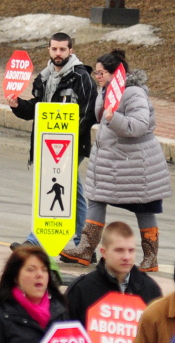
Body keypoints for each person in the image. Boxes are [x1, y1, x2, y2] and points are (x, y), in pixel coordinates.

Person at [60, 50, 171, 272]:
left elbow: (139, 125)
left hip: (136, 163)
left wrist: (114, 117)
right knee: (96, 199)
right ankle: (85, 248)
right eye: (97, 73)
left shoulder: (133, 93)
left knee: (144, 208)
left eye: (101, 73)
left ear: (114, 73)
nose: (97, 76)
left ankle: (150, 258)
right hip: (111, 161)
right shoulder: (106, 90)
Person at [9, 32, 96, 251]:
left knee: (62, 188)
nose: (58, 54)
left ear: (71, 51)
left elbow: (88, 113)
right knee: (71, 193)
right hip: (47, 145)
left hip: (71, 145)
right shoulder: (45, 77)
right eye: (54, 49)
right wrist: (17, 105)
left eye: (63, 49)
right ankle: (81, 246)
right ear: (49, 49)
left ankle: (38, 242)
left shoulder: (81, 77)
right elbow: (38, 110)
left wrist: (70, 138)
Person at [65, 221, 161, 325]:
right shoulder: (81, 289)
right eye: (119, 250)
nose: (127, 257)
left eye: (131, 250)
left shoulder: (150, 289)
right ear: (104, 252)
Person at [0, 245, 68, 343]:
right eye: (31, 269)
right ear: (15, 276)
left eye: (44, 270)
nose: (39, 275)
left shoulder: (59, 310)